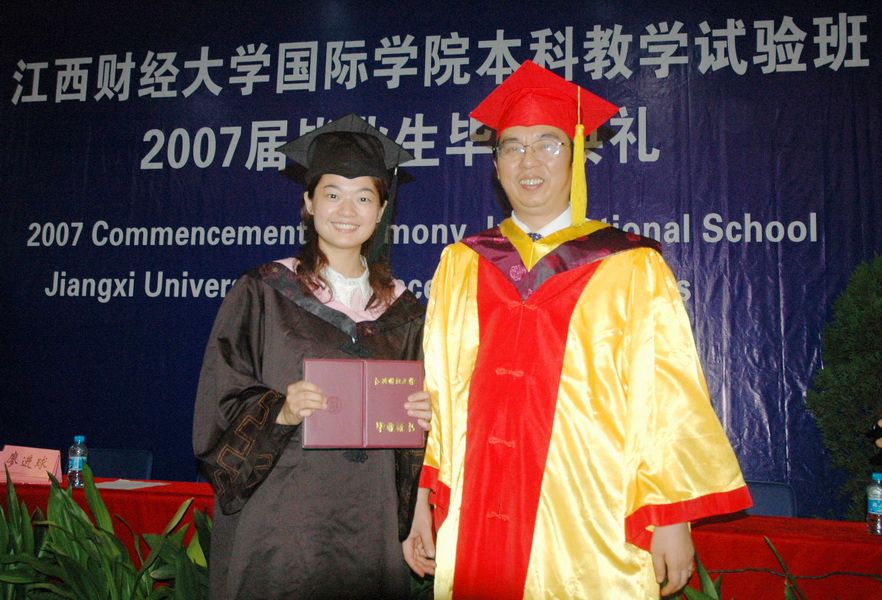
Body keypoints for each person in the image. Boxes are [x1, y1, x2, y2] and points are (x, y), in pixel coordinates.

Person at [403, 61, 752, 599]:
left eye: (548, 143)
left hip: (588, 511)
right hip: (476, 508)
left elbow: (666, 396)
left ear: (576, 155)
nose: (529, 161)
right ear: (496, 165)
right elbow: (442, 397)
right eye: (513, 147)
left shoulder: (630, 266)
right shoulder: (463, 264)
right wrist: (427, 500)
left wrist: (671, 516)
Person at [193, 113, 430, 599]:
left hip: (370, 520)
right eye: (332, 193)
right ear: (308, 202)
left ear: (382, 210)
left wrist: (428, 415)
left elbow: (420, 426)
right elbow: (219, 404)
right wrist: (278, 409)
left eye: (364, 197)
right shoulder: (263, 293)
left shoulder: (404, 311)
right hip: (282, 521)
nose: (347, 210)